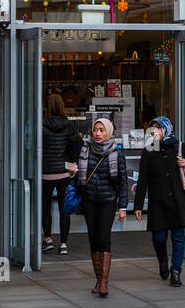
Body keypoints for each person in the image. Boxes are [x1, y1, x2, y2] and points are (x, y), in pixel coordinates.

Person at [134, 116, 185, 287]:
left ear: (166, 129)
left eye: (158, 128)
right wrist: (138, 205)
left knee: (178, 237)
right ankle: (163, 261)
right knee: (159, 238)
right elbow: (143, 180)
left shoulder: (178, 146)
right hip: (158, 201)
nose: (154, 131)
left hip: (177, 199)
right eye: (153, 128)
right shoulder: (149, 150)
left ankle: (176, 271)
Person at [78, 117, 130, 296]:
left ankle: (104, 283)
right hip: (90, 200)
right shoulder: (85, 149)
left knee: (104, 238)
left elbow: (123, 182)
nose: (98, 133)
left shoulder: (116, 153)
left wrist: (122, 206)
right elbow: (81, 178)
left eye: (101, 130)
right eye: (95, 130)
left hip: (108, 200)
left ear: (108, 132)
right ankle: (98, 279)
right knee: (93, 238)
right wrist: (75, 173)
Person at [41, 94, 82, 255]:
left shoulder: (41, 124)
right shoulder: (69, 125)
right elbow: (77, 145)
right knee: (65, 208)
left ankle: (48, 239)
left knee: (45, 207)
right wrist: (73, 163)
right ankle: (63, 244)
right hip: (64, 173)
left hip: (45, 172)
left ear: (46, 107)